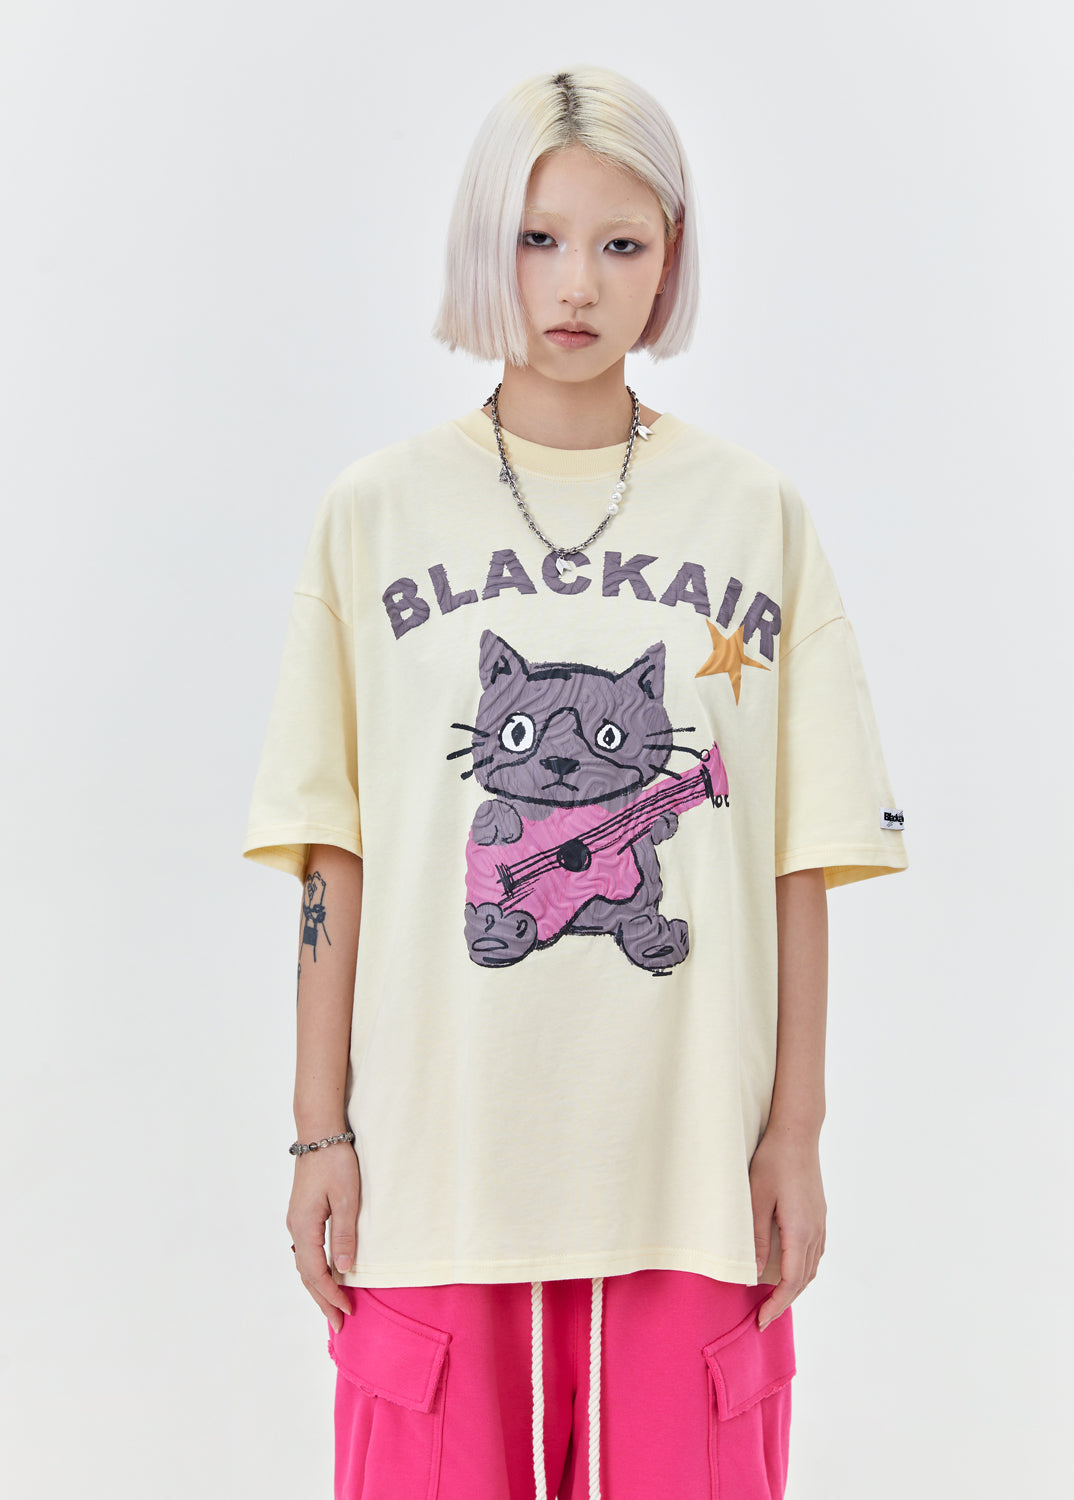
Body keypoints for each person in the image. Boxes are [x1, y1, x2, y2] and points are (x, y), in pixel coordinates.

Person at [243, 64, 907, 1500]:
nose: (577, 284)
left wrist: (795, 1135)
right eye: (538, 238)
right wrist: (318, 1130)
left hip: (689, 1182)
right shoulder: (373, 513)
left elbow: (797, 856)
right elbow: (330, 851)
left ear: (671, 261)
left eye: (622, 243)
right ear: (482, 243)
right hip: (437, 1177)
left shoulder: (754, 515)